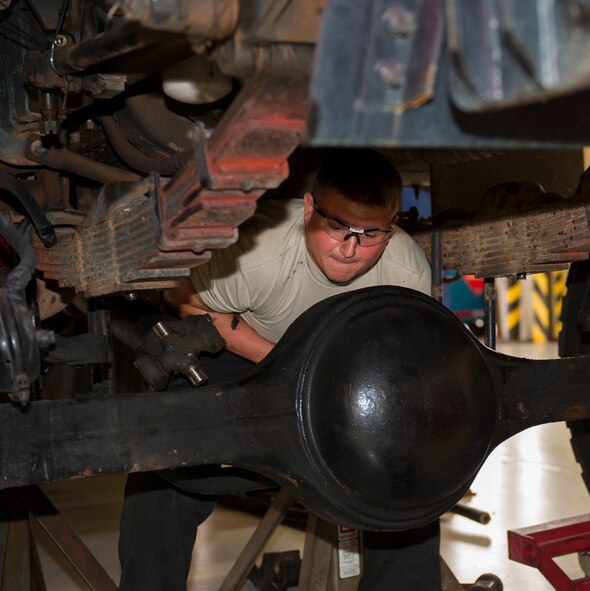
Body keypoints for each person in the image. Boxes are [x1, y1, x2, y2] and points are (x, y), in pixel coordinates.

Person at [118, 149, 441, 590]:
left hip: (345, 379)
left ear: (393, 222)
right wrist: (285, 362)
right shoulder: (256, 254)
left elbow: (409, 369)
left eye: (370, 235)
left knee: (410, 470)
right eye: (336, 228)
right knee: (167, 462)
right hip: (250, 356)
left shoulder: (405, 274)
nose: (350, 249)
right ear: (309, 209)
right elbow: (182, 298)